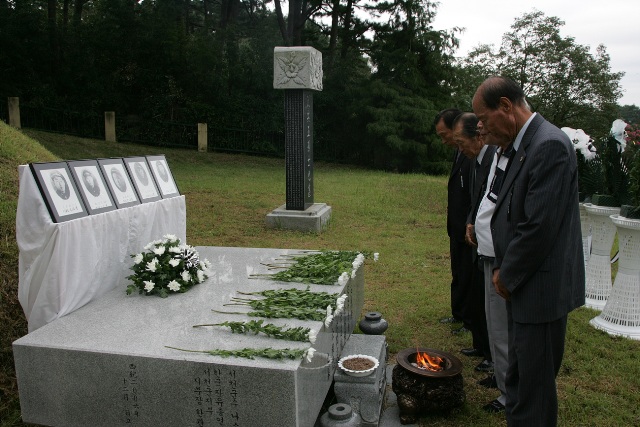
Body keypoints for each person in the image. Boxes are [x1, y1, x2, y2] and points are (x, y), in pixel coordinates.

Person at [472, 76, 585, 425]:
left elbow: (538, 226)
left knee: (533, 390)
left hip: (540, 290)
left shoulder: (548, 145)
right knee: (519, 381)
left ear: (505, 107)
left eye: (483, 118)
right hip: (525, 285)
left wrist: (507, 272)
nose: (480, 126)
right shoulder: (522, 144)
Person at [452, 113, 496, 376]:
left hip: (489, 243)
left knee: (487, 301)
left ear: (477, 137)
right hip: (476, 236)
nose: (460, 148)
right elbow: (474, 198)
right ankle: (482, 346)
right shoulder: (475, 160)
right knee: (478, 298)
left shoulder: (491, 158)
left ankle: (492, 356)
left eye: (461, 142)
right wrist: (470, 221)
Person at [434, 108, 474, 335]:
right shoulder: (459, 152)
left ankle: (470, 321)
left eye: (443, 135)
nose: (443, 141)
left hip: (467, 227)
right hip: (455, 225)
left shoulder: (472, 153)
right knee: (458, 271)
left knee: (468, 275)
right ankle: (458, 313)